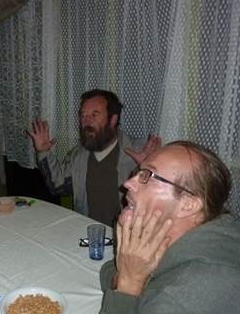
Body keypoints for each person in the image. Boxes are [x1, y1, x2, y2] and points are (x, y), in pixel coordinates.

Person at [46, 141, 240, 314]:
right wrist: (131, 275)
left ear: (188, 204)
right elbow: (110, 272)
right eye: (138, 172)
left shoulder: (192, 296)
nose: (128, 183)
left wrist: (130, 284)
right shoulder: (206, 235)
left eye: (148, 175)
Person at [27, 89, 160, 226]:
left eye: (94, 115)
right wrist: (43, 151)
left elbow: (161, 205)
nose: (86, 121)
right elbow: (58, 186)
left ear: (113, 120)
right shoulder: (78, 155)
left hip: (127, 235)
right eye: (83, 115)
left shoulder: (140, 152)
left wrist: (149, 170)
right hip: (88, 232)